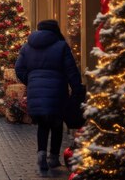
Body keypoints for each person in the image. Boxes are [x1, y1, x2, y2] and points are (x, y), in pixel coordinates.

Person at [15, 20, 83, 178]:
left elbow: (19, 68)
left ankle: (41, 156)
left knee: (43, 125)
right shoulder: (61, 46)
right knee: (57, 124)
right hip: (57, 91)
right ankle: (53, 158)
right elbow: (71, 70)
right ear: (56, 30)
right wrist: (77, 89)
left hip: (36, 92)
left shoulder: (27, 47)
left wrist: (31, 80)